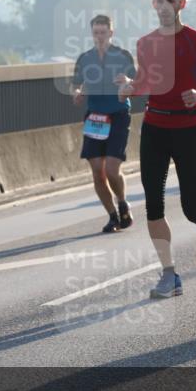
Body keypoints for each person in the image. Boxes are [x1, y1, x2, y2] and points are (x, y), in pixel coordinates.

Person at [116, 0, 196, 299]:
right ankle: (169, 275)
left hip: (189, 130)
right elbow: (147, 82)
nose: (165, 6)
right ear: (154, 4)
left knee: (191, 207)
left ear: (181, 4)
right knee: (153, 204)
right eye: (159, 1)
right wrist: (129, 88)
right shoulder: (145, 43)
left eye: (171, 0)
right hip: (155, 129)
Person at [71, 14, 137, 233]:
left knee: (111, 168)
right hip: (94, 117)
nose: (99, 37)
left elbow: (137, 83)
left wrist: (128, 83)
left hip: (118, 114)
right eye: (96, 33)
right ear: (92, 34)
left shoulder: (123, 56)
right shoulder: (85, 59)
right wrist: (77, 93)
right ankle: (112, 216)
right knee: (97, 171)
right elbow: (75, 85)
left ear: (111, 33)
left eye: (103, 32)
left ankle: (122, 201)